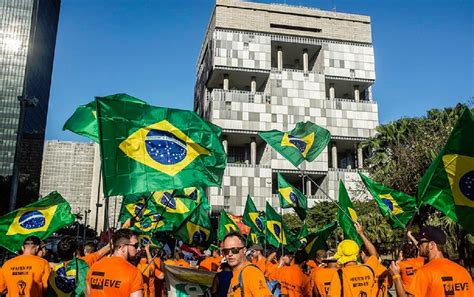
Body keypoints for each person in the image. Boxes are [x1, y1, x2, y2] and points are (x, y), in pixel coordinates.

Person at [389, 226, 472, 297]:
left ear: (432, 245)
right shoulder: (463, 272)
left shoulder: (425, 272)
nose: (418, 245)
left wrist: (396, 276)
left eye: (421, 241)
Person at [86, 229, 143, 297]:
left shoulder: (94, 266)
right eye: (136, 245)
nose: (138, 248)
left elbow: (88, 294)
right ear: (122, 247)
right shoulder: (134, 273)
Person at [222, 232, 272, 297]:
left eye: (235, 250)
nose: (230, 254)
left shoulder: (251, 272)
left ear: (244, 250)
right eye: (226, 251)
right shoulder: (236, 272)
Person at [355, 222, 392, 297]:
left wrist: (361, 234)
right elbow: (389, 285)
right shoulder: (383, 269)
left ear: (362, 253)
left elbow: (374, 254)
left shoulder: (363, 270)